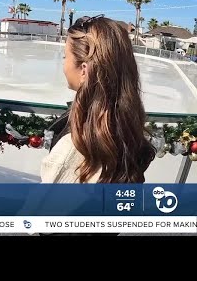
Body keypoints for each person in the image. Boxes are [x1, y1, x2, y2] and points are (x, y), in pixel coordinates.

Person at [41, 15, 156, 184]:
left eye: (66, 57)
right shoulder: (130, 135)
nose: (64, 65)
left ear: (84, 70)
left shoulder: (71, 151)